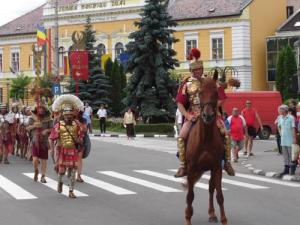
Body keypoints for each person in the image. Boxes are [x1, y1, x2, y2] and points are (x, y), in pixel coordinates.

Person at [174, 48, 235, 177]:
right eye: (194, 70)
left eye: (199, 69)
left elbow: (222, 98)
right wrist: (187, 115)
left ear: (202, 69)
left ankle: (228, 163)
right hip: (193, 115)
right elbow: (180, 103)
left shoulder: (210, 81)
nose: (197, 71)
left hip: (211, 114)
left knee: (226, 135)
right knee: (181, 137)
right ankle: (183, 166)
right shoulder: (186, 83)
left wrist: (212, 107)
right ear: (191, 70)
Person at [50, 104, 83, 198]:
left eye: (70, 115)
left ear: (73, 115)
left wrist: (79, 140)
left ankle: (71, 191)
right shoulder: (59, 125)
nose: (68, 116)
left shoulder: (76, 125)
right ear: (63, 115)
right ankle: (60, 182)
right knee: (61, 171)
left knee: (73, 172)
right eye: (66, 115)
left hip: (73, 150)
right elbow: (51, 137)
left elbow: (81, 136)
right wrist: (52, 149)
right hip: (62, 151)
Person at [27, 104, 53, 183]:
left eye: (43, 108)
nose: (41, 109)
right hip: (35, 141)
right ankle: (36, 171)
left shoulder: (49, 119)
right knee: (35, 159)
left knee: (44, 160)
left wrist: (46, 131)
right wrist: (34, 126)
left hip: (44, 142)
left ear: (45, 110)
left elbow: (52, 129)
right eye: (39, 108)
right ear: (37, 109)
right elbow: (27, 128)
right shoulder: (32, 118)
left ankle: (43, 176)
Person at [277, 104, 297, 176]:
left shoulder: (291, 118)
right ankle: (286, 169)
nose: (279, 111)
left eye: (280, 109)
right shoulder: (280, 118)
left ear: (284, 110)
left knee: (291, 155)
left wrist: (294, 138)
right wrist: (280, 133)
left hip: (290, 139)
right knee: (285, 155)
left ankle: (292, 169)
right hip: (283, 140)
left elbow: (293, 128)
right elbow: (278, 125)